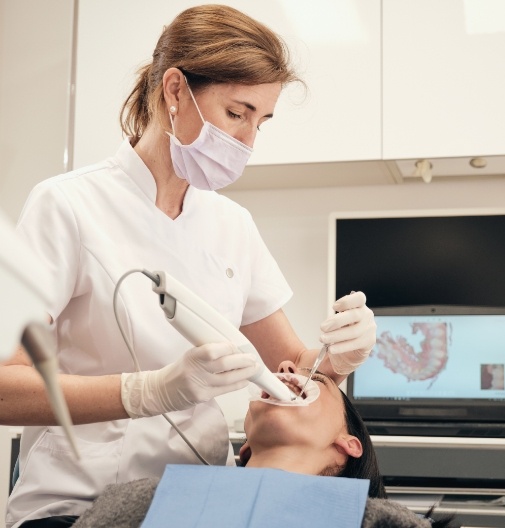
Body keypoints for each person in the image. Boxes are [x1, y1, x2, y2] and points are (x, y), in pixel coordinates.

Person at [3, 5, 377, 527]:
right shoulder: (67, 204)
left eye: (261, 122)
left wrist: (342, 353)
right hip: (76, 504)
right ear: (175, 91)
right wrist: (145, 393)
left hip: (199, 506)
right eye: (236, 113)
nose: (248, 142)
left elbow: (294, 365)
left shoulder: (232, 225)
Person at [71, 362, 455, 528]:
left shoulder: (380, 522)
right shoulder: (143, 501)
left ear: (348, 444)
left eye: (315, 380)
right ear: (245, 447)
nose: (286, 373)